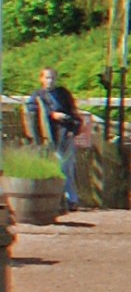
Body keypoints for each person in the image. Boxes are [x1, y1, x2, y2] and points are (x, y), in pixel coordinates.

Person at [26, 67, 81, 210]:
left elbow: (74, 113)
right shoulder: (37, 95)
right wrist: (51, 114)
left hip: (65, 134)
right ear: (41, 79)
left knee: (67, 167)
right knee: (57, 167)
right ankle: (59, 199)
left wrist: (73, 129)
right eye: (47, 77)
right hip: (49, 137)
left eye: (52, 78)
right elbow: (32, 114)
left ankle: (71, 199)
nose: (50, 81)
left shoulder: (63, 93)